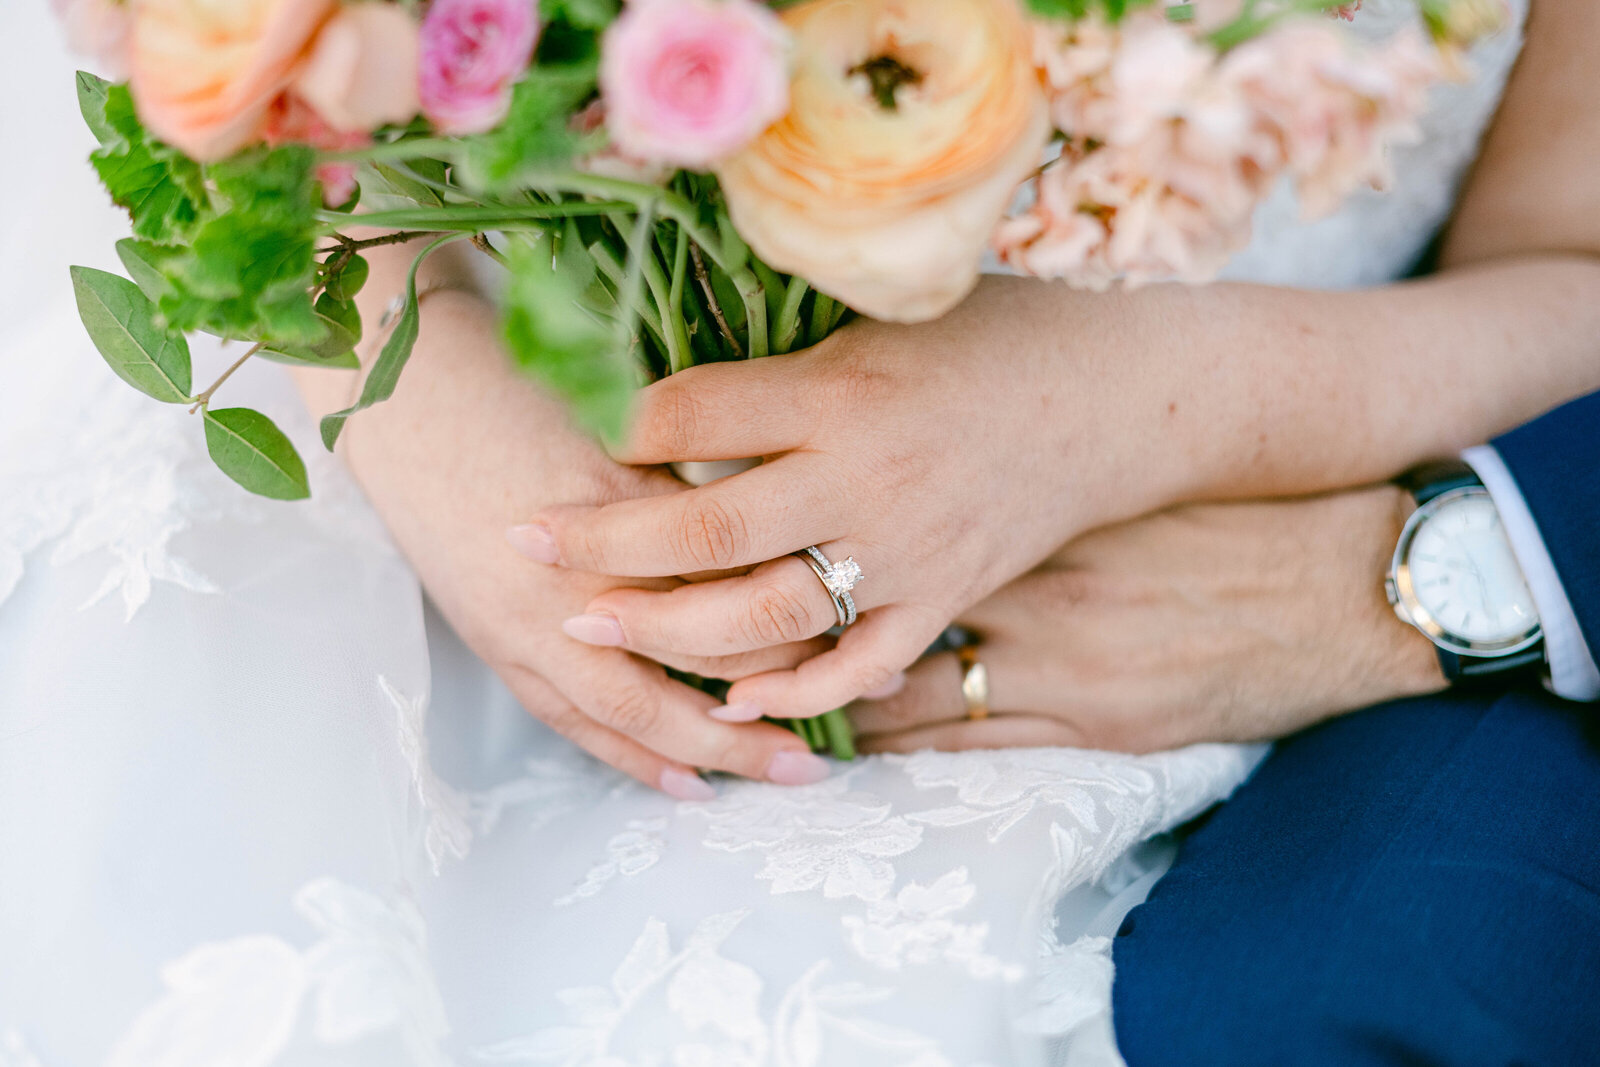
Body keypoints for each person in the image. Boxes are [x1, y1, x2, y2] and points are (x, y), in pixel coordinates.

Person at [0, 3, 1594, 1066]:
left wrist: (1124, 402)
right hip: (408, 459)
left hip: (1120, 630)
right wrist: (426, 401)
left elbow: (1574, 273)